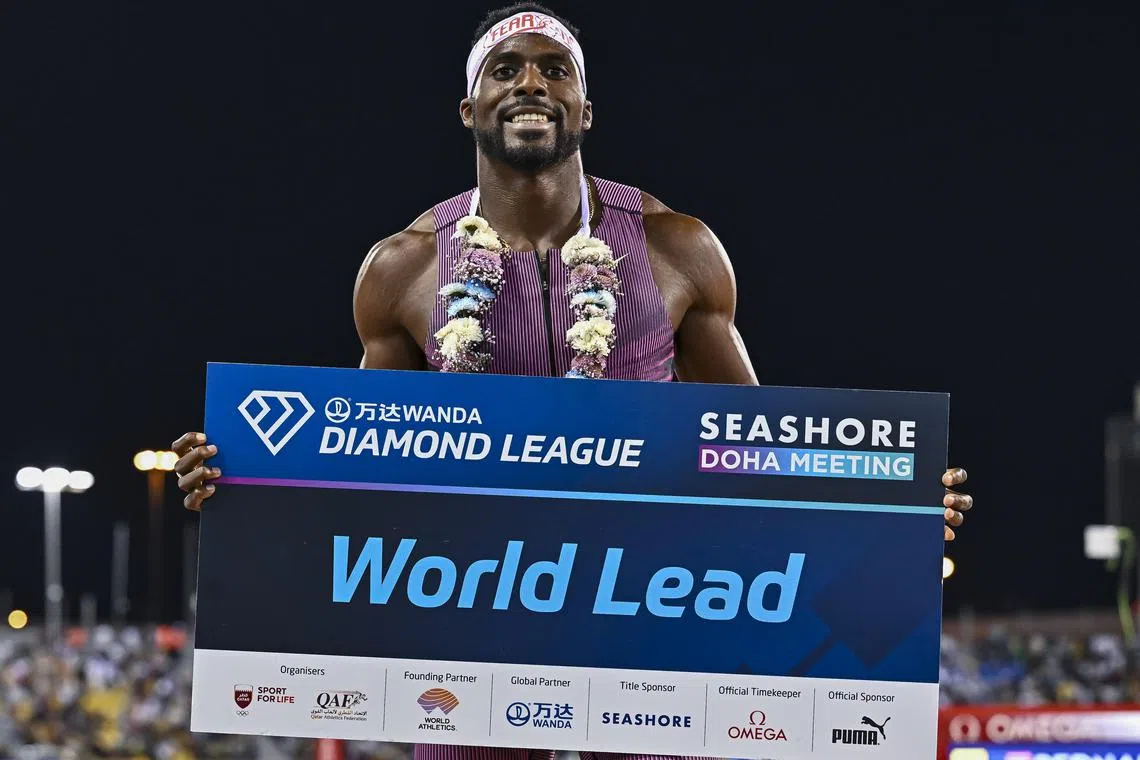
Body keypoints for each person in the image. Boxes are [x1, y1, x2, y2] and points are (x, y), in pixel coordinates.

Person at [172, 3, 972, 758]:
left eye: (555, 70)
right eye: (506, 69)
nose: (531, 84)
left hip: (647, 632)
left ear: (585, 110)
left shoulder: (676, 248)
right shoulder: (403, 268)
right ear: (469, 108)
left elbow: (757, 453)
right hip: (473, 639)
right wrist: (242, 484)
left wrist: (885, 511)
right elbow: (360, 469)